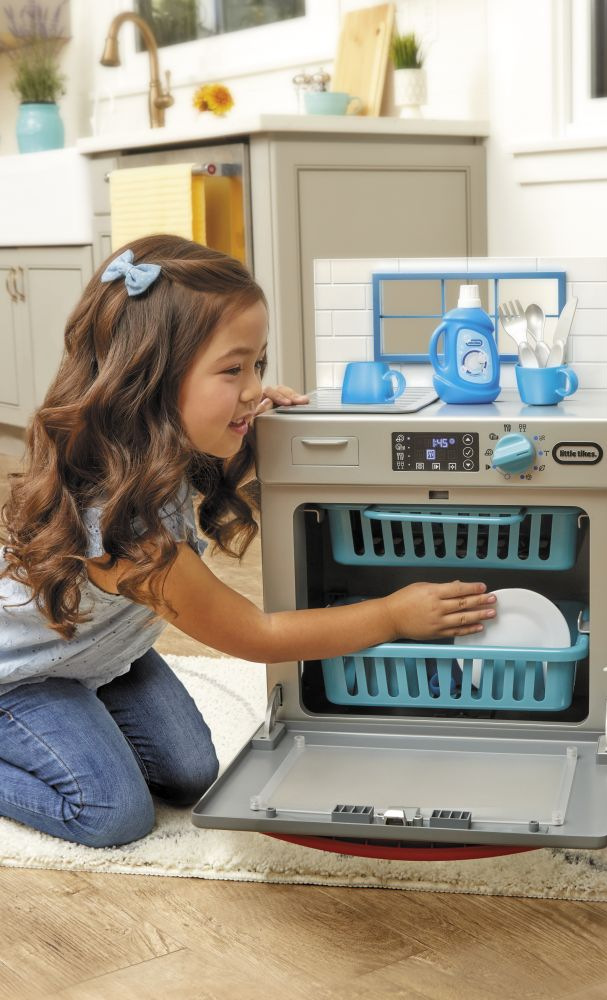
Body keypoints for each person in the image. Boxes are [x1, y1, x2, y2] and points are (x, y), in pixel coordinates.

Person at [0, 235, 496, 849]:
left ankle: (79, 716)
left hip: (97, 657)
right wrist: (394, 615)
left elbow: (224, 463)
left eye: (258, 364)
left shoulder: (154, 446)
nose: (255, 385)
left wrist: (252, 419)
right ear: (152, 379)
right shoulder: (129, 537)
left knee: (190, 775)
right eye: (233, 369)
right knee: (112, 812)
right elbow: (256, 636)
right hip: (20, 676)